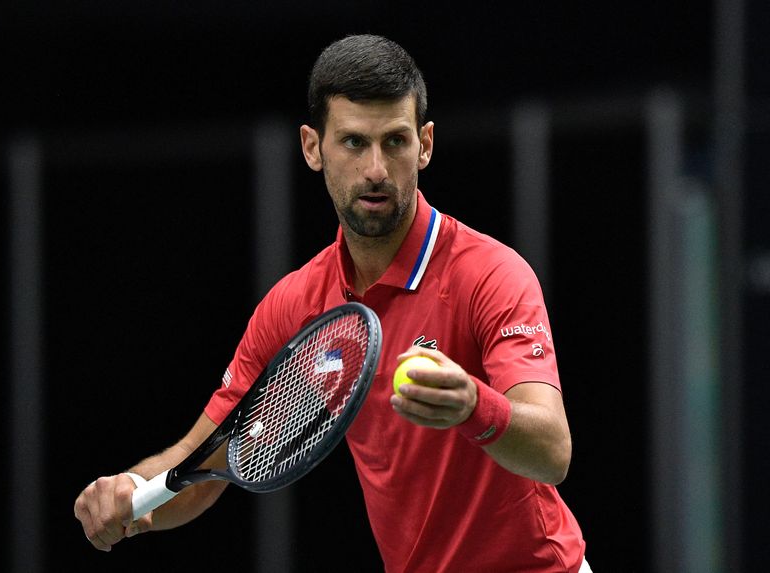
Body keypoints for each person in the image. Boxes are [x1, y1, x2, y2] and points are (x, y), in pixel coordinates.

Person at [74, 34, 589, 572]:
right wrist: (133, 490)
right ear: (312, 147)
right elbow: (205, 462)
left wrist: (471, 406)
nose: (375, 169)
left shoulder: (491, 275)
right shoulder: (295, 304)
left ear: (426, 145)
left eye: (395, 142)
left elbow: (552, 452)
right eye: (352, 142)